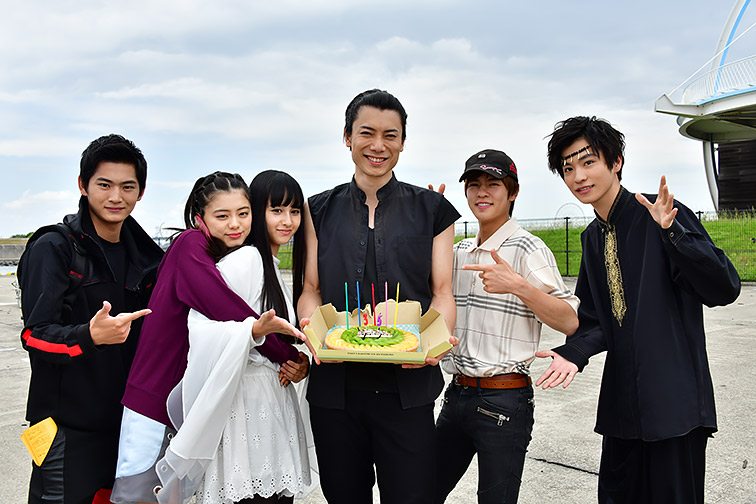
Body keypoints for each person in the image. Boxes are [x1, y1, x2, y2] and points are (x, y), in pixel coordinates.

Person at [537, 116, 741, 503]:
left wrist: (673, 234)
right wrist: (573, 352)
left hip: (674, 407)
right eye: (568, 168)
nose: (579, 176)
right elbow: (596, 320)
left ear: (615, 162)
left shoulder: (661, 215)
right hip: (622, 410)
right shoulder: (592, 238)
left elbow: (724, 287)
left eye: (588, 161)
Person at [297, 89, 460, 504]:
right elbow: (311, 291)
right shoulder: (317, 210)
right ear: (347, 137)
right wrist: (313, 333)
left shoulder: (434, 209)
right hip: (336, 389)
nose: (378, 146)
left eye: (391, 135)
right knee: (343, 495)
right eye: (367, 133)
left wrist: (433, 342)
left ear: (403, 142)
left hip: (408, 387)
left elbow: (442, 293)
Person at [112, 172, 309, 504]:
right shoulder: (190, 244)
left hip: (183, 392)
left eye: (243, 213)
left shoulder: (221, 254)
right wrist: (286, 354)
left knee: (166, 495)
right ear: (199, 217)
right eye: (222, 215)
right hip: (157, 393)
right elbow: (223, 306)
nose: (235, 224)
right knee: (138, 495)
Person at [18, 134, 164, 504]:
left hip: (129, 427)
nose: (116, 197)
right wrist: (89, 336)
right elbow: (35, 335)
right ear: (83, 185)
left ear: (141, 192)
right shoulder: (55, 247)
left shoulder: (147, 258)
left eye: (127, 187)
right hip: (65, 430)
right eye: (104, 185)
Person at [434, 149, 579, 503]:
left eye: (493, 184)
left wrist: (519, 286)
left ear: (512, 192)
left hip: (503, 400)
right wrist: (426, 225)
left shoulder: (528, 248)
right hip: (457, 394)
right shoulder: (459, 252)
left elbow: (569, 320)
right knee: (421, 492)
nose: (482, 192)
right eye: (474, 184)